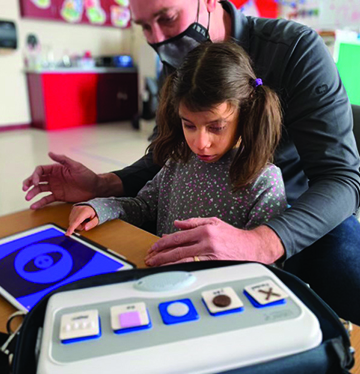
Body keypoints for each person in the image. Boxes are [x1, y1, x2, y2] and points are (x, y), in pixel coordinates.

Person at [22, 0, 360, 342]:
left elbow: (342, 179)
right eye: (144, 27)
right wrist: (104, 185)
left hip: (299, 204)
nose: (157, 38)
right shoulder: (179, 62)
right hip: (204, 202)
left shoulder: (294, 48)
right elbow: (165, 156)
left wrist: (262, 241)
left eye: (166, 18)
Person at [65, 42, 287, 255]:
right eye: (189, 125)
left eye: (216, 127)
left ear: (245, 114)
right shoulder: (179, 161)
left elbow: (264, 260)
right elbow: (144, 206)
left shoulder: (264, 182)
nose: (200, 143)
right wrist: (101, 208)